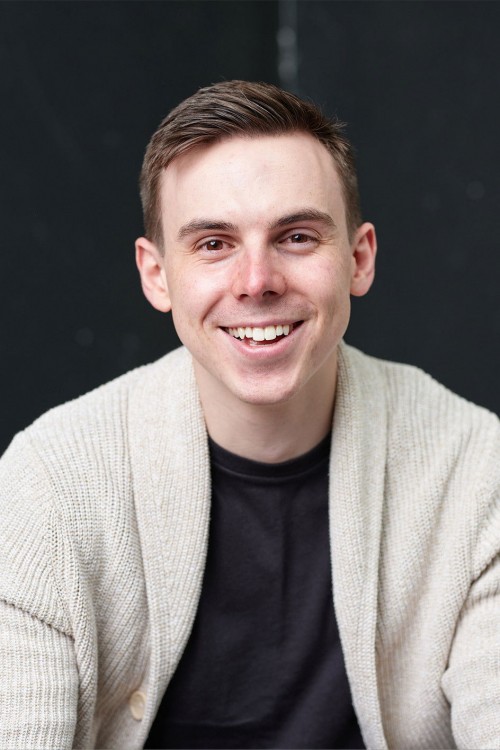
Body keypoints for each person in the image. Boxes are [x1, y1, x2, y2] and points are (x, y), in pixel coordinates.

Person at [0, 80, 498, 750]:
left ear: (359, 259)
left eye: (297, 237)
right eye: (214, 244)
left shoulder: (476, 471)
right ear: (156, 275)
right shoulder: (50, 484)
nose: (257, 281)